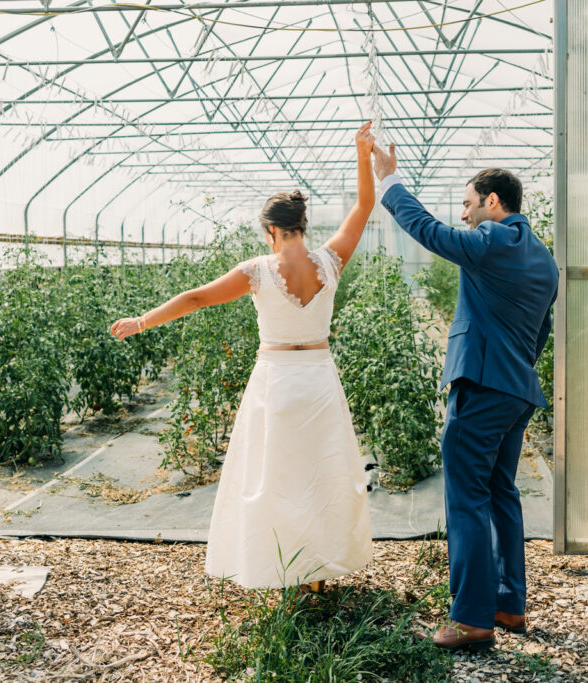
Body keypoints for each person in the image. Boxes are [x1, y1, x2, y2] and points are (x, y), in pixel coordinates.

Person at [111, 123, 378, 592]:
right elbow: (364, 206)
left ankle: (285, 569)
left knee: (276, 476)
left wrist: (141, 321)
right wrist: (362, 154)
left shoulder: (255, 271)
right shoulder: (331, 260)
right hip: (318, 377)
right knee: (321, 472)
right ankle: (316, 573)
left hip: (276, 380)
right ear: (302, 227)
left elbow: (195, 298)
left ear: (271, 230)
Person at [372, 142, 558, 651]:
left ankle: (472, 618)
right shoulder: (543, 258)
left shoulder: (493, 239)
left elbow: (432, 234)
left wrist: (390, 183)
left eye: (469, 203)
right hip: (516, 390)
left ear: (493, 203)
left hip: (482, 387)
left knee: (467, 500)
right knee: (501, 493)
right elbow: (538, 333)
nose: (464, 213)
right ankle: (508, 603)